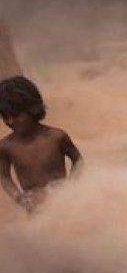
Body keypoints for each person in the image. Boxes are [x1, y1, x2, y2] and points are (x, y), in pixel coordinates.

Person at [0, 76, 82, 213]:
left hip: (64, 203)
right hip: (34, 208)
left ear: (32, 109)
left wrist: (69, 188)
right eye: (5, 117)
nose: (11, 121)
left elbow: (78, 161)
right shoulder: (5, 146)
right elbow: (4, 177)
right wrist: (20, 198)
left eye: (16, 115)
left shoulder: (56, 136)